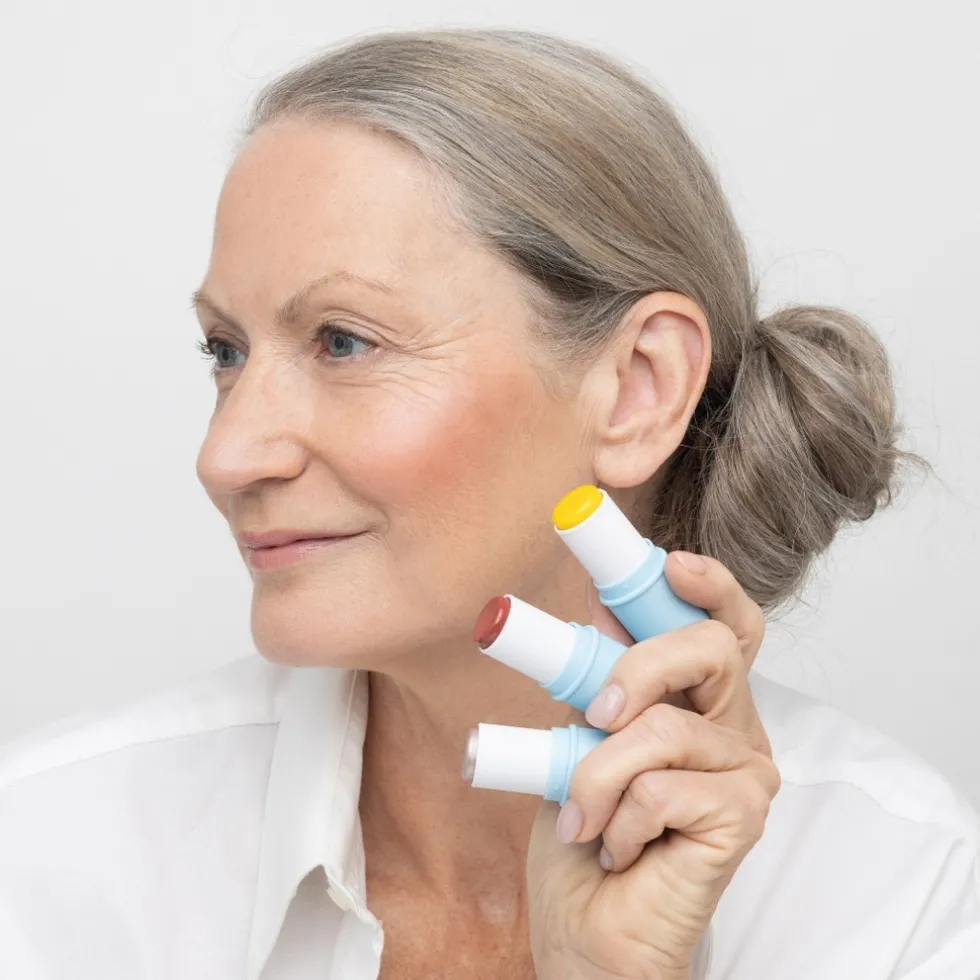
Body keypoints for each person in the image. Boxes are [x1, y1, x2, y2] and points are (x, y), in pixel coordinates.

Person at [1, 26, 978, 980]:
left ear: (638, 388)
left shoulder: (895, 891)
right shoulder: (49, 853)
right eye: (226, 350)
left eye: (344, 341)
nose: (225, 457)